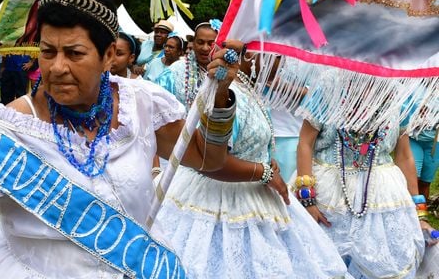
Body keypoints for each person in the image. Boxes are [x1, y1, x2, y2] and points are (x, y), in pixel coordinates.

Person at [0, 0, 240, 279]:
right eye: (47, 51)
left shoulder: (141, 104)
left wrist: (222, 95)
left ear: (109, 55)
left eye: (74, 53)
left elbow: (208, 159)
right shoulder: (12, 129)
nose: (57, 67)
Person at [155, 20, 348, 278]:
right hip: (218, 203)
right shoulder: (227, 93)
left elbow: (252, 143)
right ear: (251, 54)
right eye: (277, 55)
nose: (281, 63)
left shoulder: (250, 91)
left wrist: (268, 161)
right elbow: (211, 162)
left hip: (254, 198)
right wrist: (265, 173)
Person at [296, 109, 436, 277]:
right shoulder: (327, 90)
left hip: (382, 199)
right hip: (330, 199)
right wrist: (307, 201)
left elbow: (405, 156)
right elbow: (305, 143)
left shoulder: (400, 99)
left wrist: (420, 216)